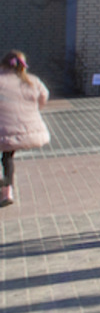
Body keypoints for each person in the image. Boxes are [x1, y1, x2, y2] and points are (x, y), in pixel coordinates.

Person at [0, 51, 51, 207]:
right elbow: (44, 96)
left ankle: (3, 185)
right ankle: (7, 191)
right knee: (7, 157)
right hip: (23, 129)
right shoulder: (32, 81)